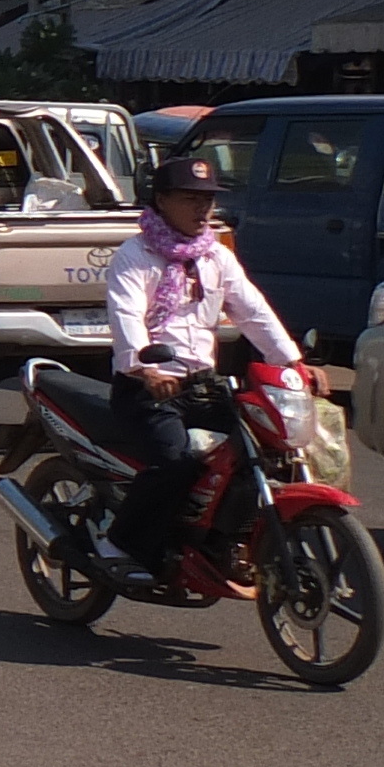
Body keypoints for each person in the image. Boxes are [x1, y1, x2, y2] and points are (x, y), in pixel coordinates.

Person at [96, 150, 302, 588]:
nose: (202, 208)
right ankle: (120, 544)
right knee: (175, 461)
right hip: (148, 389)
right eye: (190, 197)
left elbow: (253, 312)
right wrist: (142, 367)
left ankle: (225, 540)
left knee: (260, 452)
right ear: (162, 200)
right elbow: (126, 316)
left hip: (205, 386)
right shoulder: (135, 256)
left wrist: (292, 361)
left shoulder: (215, 257)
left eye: (207, 198)